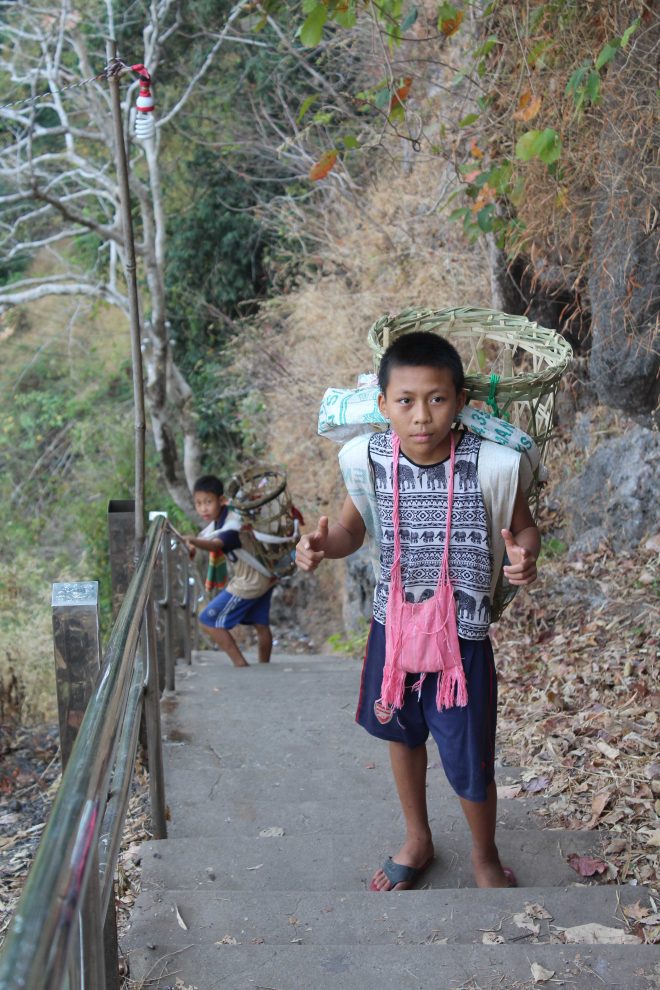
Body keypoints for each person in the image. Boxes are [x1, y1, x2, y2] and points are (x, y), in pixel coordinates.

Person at [296, 332, 540, 890]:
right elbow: (350, 532)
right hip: (395, 632)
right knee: (402, 735)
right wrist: (318, 546)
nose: (422, 415)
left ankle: (483, 854)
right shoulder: (369, 459)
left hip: (464, 636)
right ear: (383, 405)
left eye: (436, 398)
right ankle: (418, 838)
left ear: (459, 402)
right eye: (405, 400)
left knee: (469, 750)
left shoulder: (493, 463)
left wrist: (526, 557)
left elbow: (523, 525)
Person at [185, 474, 275, 667]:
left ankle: (240, 665)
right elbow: (207, 537)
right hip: (265, 574)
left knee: (208, 620)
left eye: (208, 502)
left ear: (222, 500)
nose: (203, 508)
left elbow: (216, 544)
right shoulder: (220, 521)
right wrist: (193, 544)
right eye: (199, 503)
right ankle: (265, 668)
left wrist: (192, 541)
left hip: (250, 581)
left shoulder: (233, 523)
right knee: (261, 623)